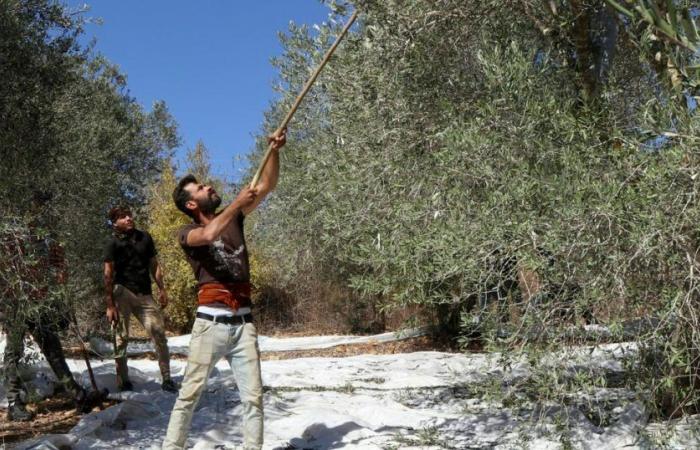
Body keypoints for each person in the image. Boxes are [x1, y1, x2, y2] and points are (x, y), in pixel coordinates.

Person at [162, 129, 286, 450]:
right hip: (209, 326)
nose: (208, 186)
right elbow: (208, 235)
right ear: (192, 203)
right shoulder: (187, 232)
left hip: (244, 324)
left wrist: (273, 151)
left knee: (254, 400)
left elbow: (267, 185)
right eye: (201, 188)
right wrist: (235, 204)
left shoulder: (233, 217)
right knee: (189, 396)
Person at [1, 191, 100, 421]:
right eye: (37, 205)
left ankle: (78, 395)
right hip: (16, 304)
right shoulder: (11, 235)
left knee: (54, 351)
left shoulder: (50, 237)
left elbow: (59, 269)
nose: (40, 210)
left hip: (42, 303)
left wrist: (61, 295)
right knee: (14, 353)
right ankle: (14, 403)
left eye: (44, 206)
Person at [103, 206, 178, 392]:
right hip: (122, 292)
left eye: (129, 215)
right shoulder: (112, 243)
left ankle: (167, 378)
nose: (128, 218)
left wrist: (162, 288)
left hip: (145, 294)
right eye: (122, 217)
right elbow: (108, 274)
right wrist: (110, 304)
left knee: (159, 334)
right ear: (115, 222)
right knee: (121, 338)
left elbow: (154, 264)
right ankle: (123, 381)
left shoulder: (145, 237)